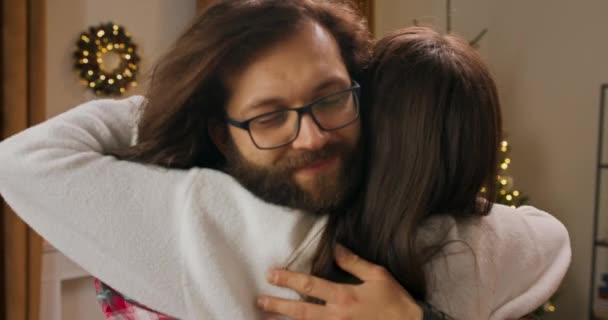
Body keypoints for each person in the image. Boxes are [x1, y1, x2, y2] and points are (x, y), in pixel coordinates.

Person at [0, 0, 569, 319]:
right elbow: (549, 238)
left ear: (360, 88)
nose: (311, 137)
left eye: (331, 97)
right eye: (269, 115)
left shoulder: (442, 243)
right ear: (219, 135)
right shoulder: (202, 217)